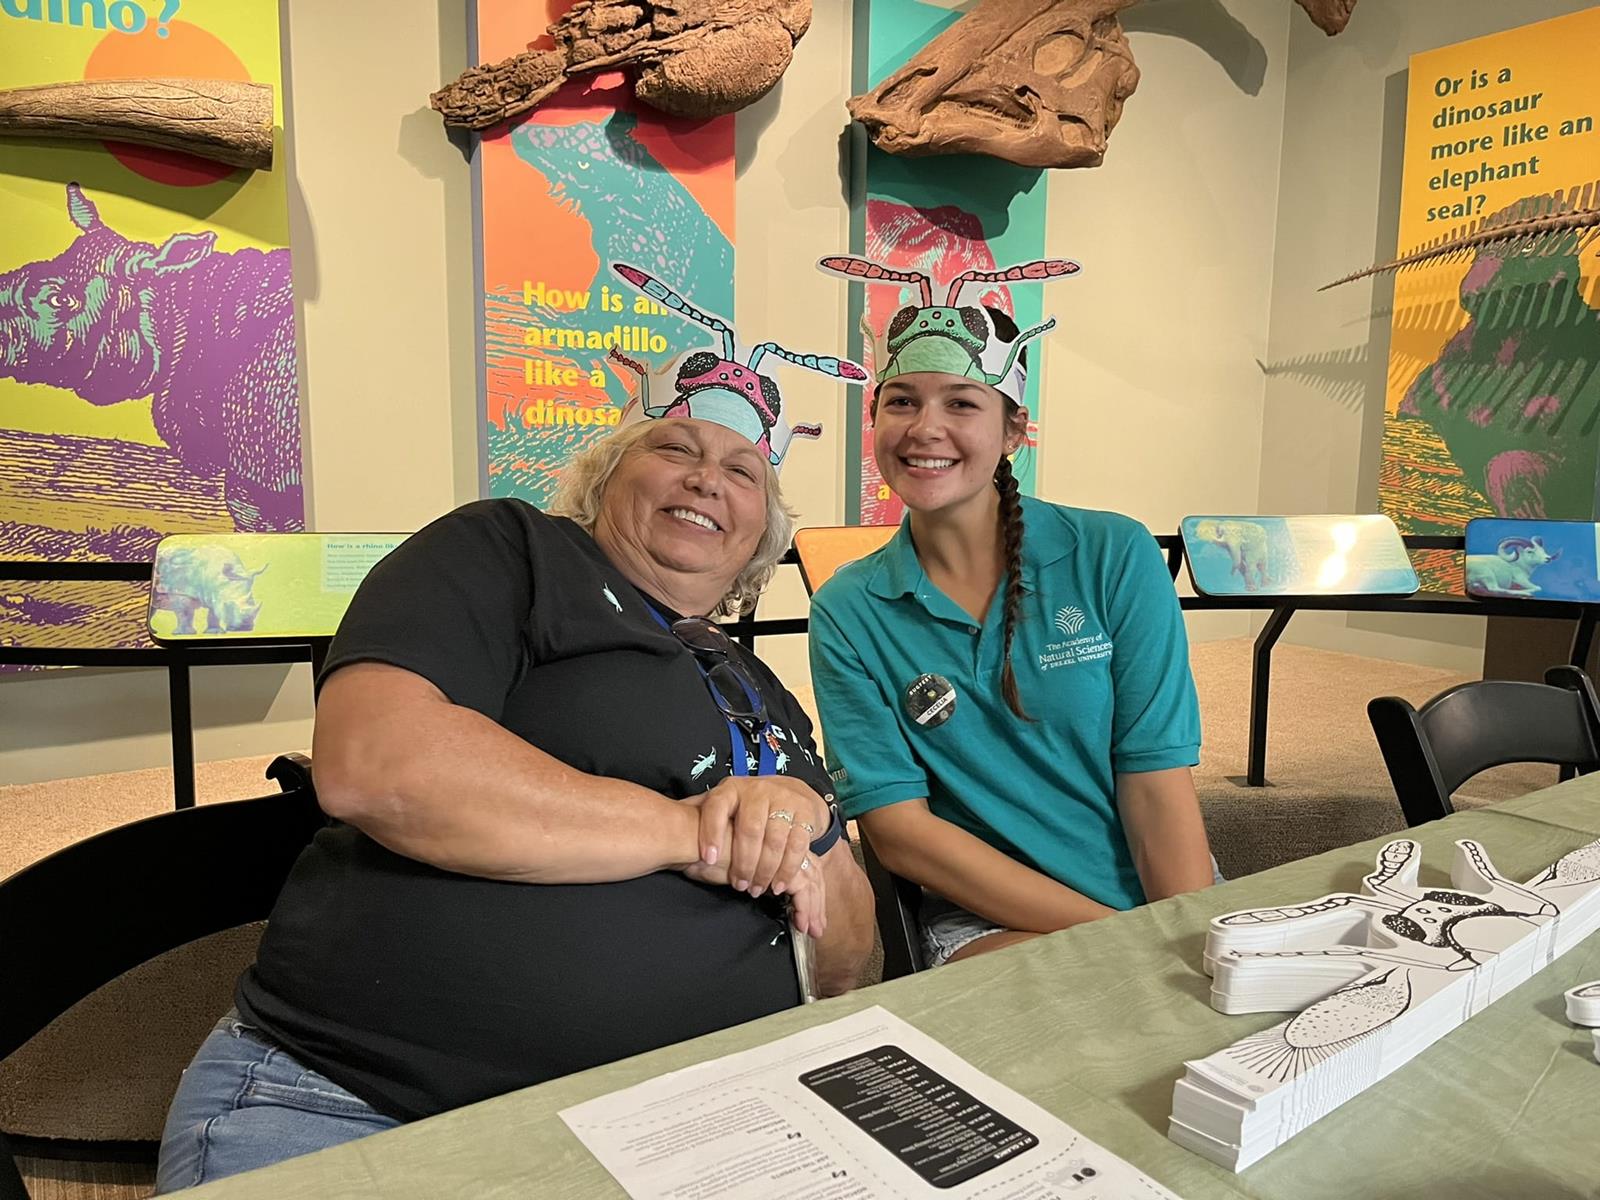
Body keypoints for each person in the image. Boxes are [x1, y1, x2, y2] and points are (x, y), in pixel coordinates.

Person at [153, 268, 874, 1193]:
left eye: (743, 470)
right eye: (675, 447)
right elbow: (378, 764)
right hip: (362, 1102)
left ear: (761, 537)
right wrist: (693, 831)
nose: (707, 476)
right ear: (607, 473)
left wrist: (802, 832)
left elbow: (849, 962)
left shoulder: (764, 688)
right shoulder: (510, 552)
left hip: (690, 1126)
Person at [809, 253, 1214, 969]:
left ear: (1012, 433)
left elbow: (1155, 780)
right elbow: (902, 833)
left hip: (1154, 899)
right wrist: (1118, 942)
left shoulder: (1113, 553)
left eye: (962, 402)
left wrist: (1182, 934)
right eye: (901, 401)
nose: (925, 427)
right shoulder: (848, 610)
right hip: (991, 919)